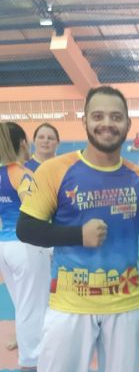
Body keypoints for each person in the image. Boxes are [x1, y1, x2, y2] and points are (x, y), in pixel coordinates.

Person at [16, 86, 139, 372]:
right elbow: (27, 228)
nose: (107, 123)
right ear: (85, 121)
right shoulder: (55, 170)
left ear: (127, 124)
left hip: (125, 303)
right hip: (70, 305)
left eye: (116, 117)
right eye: (98, 116)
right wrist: (78, 235)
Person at [0, 122, 49, 371]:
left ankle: (33, 357)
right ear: (22, 143)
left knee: (23, 305)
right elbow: (34, 212)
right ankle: (31, 362)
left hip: (4, 246)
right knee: (32, 307)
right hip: (25, 247)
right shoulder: (21, 174)